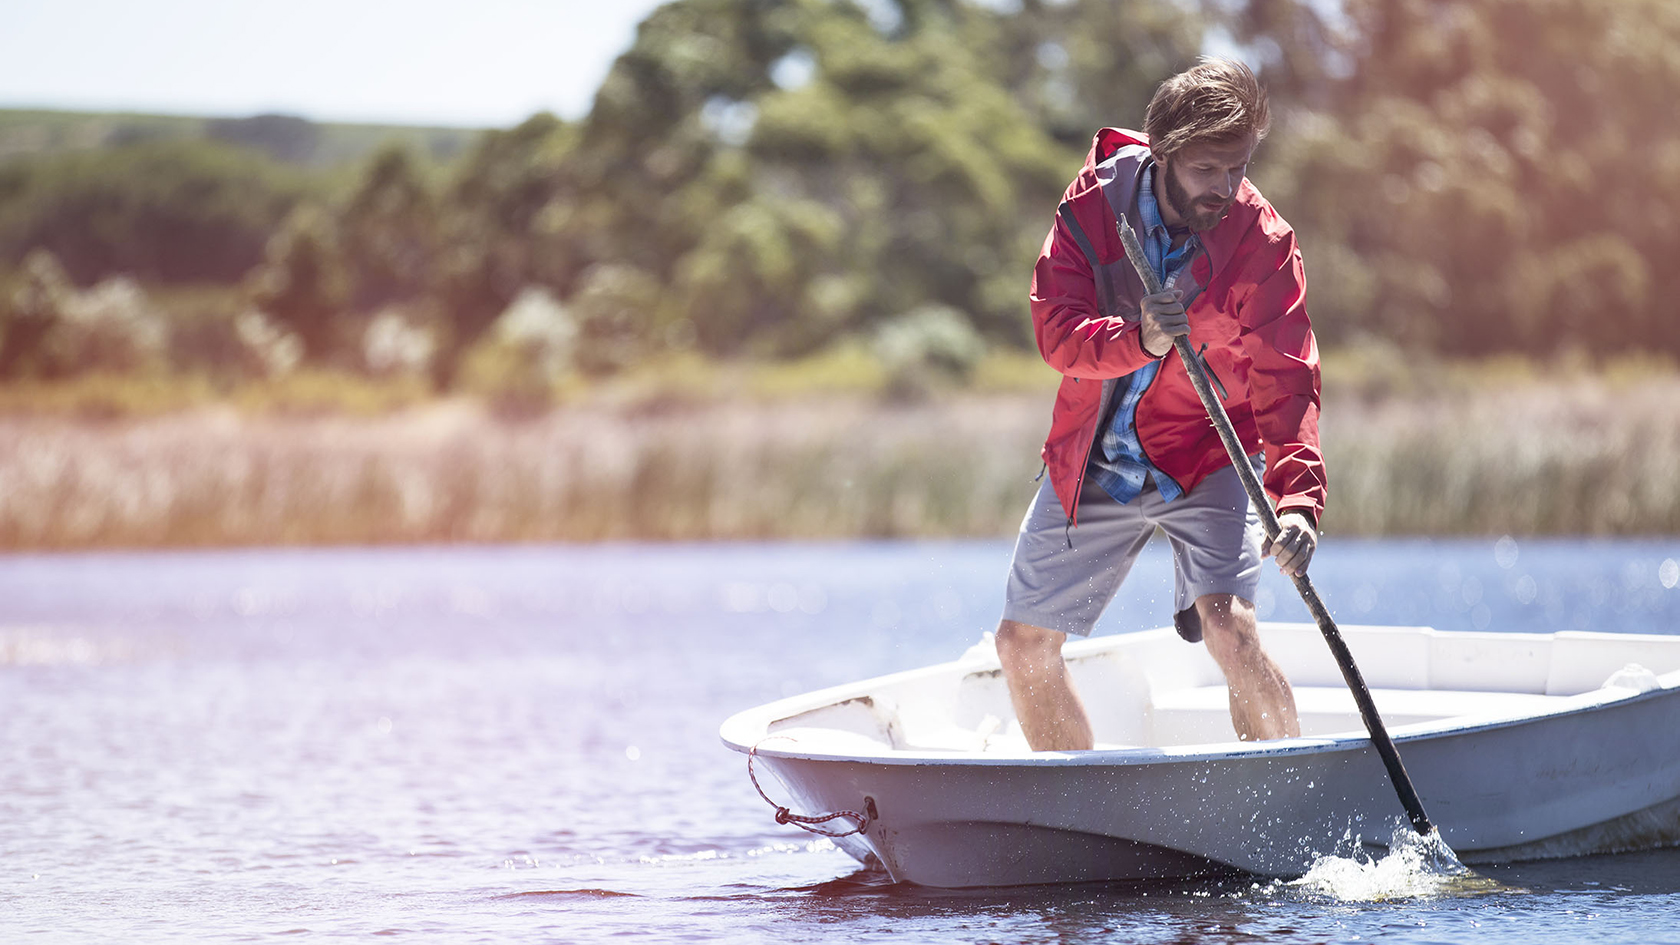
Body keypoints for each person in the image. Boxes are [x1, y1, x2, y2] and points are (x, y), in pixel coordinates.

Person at [995, 58, 1324, 750]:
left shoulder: (1263, 243)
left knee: (1229, 627)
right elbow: (1056, 332)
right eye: (1208, 169)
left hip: (1209, 456)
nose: (1228, 187)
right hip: (1094, 459)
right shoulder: (1090, 207)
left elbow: (1286, 377)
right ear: (1164, 154)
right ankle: (1078, 824)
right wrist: (1138, 337)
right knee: (1022, 645)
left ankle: (1291, 805)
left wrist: (1297, 501)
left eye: (1238, 167)